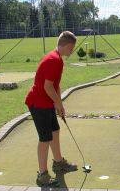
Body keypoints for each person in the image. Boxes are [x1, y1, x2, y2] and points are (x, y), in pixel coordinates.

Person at [25, 31, 78, 187]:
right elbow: (47, 86)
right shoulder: (53, 60)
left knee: (55, 131)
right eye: (72, 48)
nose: (72, 51)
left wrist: (58, 103)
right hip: (38, 103)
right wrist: (58, 104)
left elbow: (55, 85)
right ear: (68, 45)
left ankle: (59, 162)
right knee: (45, 138)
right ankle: (42, 175)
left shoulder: (57, 59)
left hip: (46, 102)